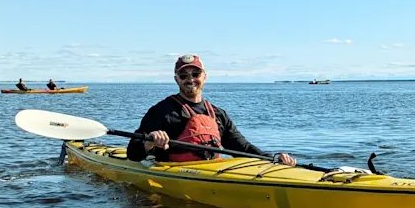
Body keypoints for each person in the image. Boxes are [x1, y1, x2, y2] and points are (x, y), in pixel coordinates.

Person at [126, 54, 297, 166]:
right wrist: (149, 143)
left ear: (204, 77)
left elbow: (242, 149)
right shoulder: (161, 111)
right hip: (174, 174)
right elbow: (132, 152)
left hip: (212, 172)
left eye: (195, 74)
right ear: (176, 80)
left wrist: (273, 159)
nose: (190, 79)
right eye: (184, 76)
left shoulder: (218, 114)